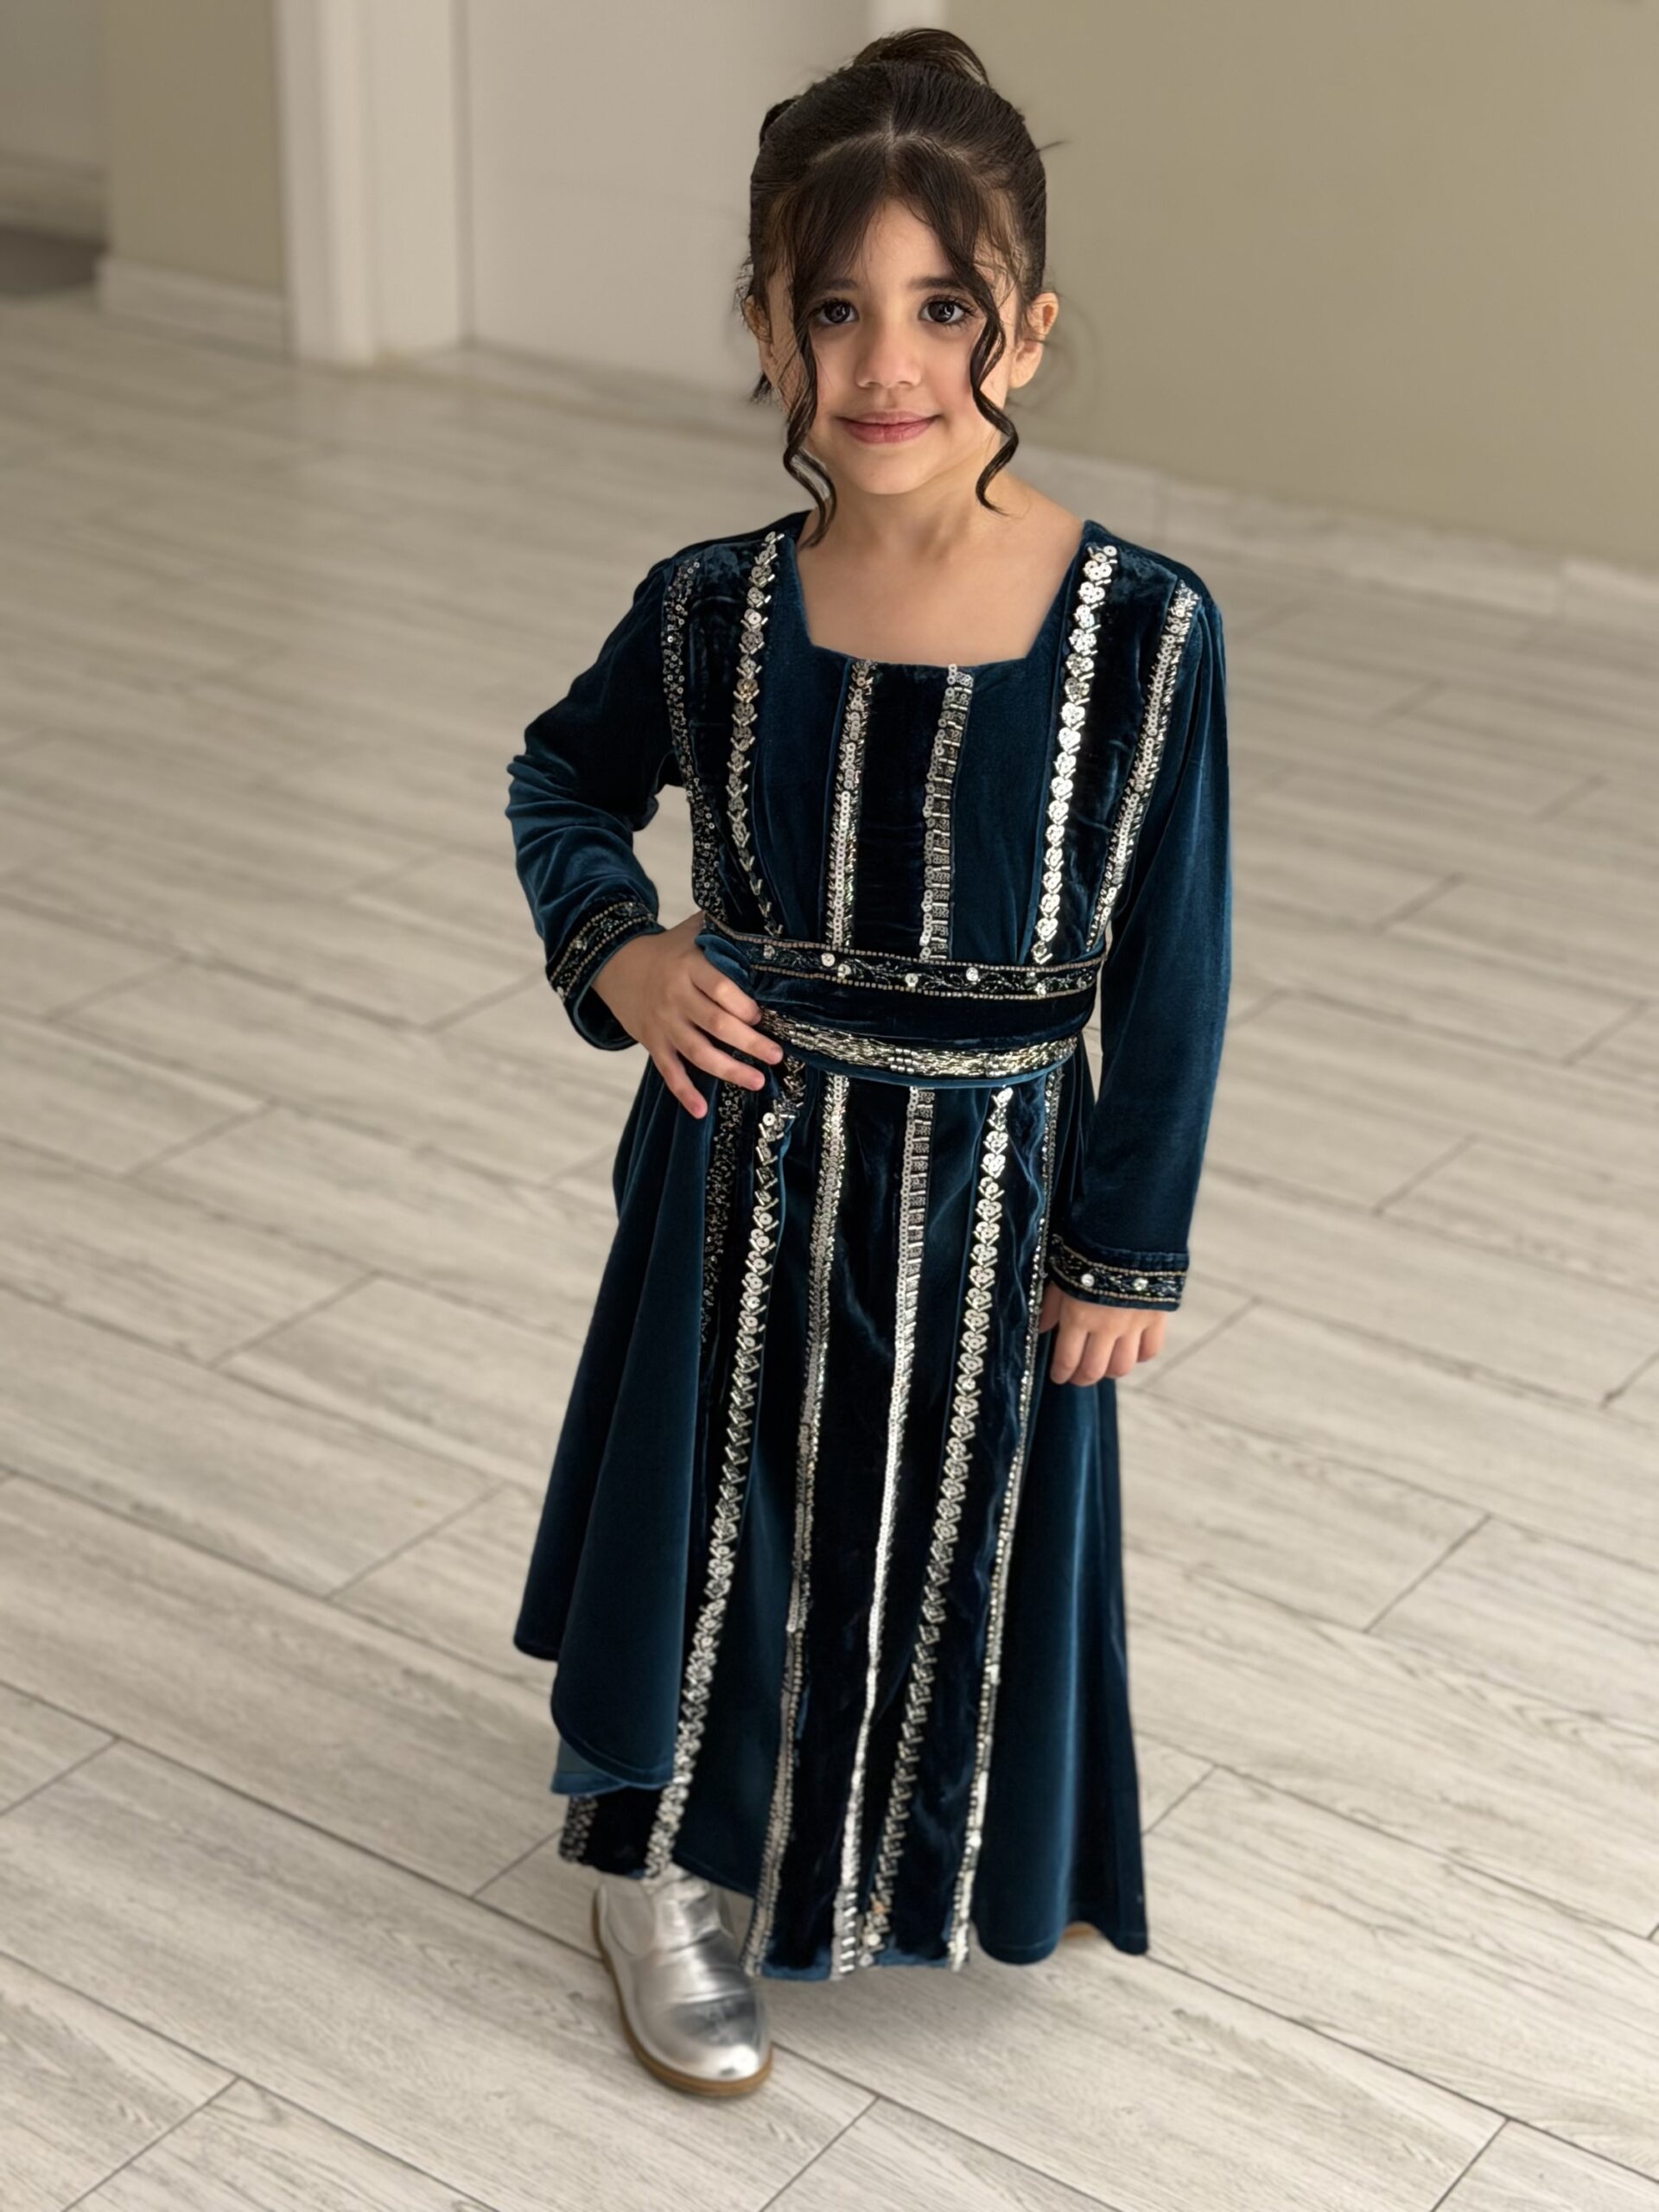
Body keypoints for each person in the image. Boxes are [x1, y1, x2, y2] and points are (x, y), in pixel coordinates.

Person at [503, 26, 1231, 2098]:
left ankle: (923, 1836)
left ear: (1029, 327)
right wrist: (626, 950)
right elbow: (562, 777)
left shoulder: (1144, 633)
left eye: (943, 309)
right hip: (742, 1169)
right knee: (723, 1530)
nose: (886, 362)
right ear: (765, 324)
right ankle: (664, 1863)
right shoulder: (713, 614)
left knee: (951, 1528)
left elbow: (1174, 963)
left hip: (1000, 1187)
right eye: (833, 308)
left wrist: (1125, 1246)